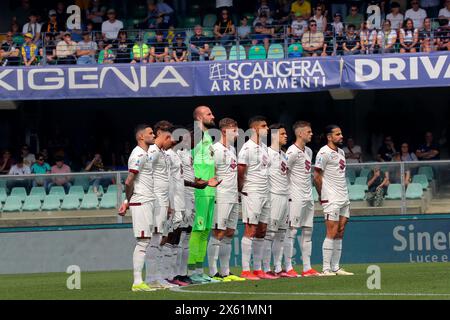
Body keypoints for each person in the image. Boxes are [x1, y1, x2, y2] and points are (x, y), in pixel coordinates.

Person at [118, 124, 159, 292]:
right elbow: (128, 181)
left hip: (147, 200)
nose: (154, 135)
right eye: (150, 133)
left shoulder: (146, 154)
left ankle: (142, 281)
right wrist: (127, 200)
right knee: (143, 241)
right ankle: (137, 282)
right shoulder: (138, 155)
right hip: (140, 201)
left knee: (146, 240)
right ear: (141, 136)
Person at [207, 118, 246, 282]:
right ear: (224, 131)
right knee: (218, 232)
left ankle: (225, 271)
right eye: (234, 130)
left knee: (229, 233)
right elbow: (210, 173)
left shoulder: (231, 149)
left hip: (232, 196)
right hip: (220, 197)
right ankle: (213, 271)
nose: (237, 134)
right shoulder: (214, 149)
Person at [187, 106, 221, 284]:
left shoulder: (207, 136)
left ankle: (199, 271)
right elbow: (187, 161)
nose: (213, 116)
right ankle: (191, 272)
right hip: (199, 191)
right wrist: (197, 181)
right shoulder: (194, 136)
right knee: (197, 230)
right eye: (209, 113)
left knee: (205, 231)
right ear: (199, 117)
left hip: (210, 190)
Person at [314, 125, 353, 276]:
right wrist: (322, 195)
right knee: (331, 231)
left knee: (341, 231)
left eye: (341, 133)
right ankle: (325, 268)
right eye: (337, 134)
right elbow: (316, 176)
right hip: (331, 198)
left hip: (344, 197)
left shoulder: (341, 152)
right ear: (329, 137)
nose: (341, 136)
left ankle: (336, 267)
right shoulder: (324, 153)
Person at [143, 120, 177, 289]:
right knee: (155, 239)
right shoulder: (153, 151)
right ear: (162, 136)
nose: (171, 141)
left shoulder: (163, 153)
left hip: (164, 201)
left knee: (161, 239)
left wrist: (169, 203)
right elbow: (144, 172)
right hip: (156, 201)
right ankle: (151, 278)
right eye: (169, 137)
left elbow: (167, 180)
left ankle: (157, 276)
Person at [285, 121, 321, 277]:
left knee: (308, 231)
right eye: (308, 131)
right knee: (292, 231)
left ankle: (307, 268)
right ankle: (288, 267)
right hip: (295, 196)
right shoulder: (291, 152)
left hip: (308, 196)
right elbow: (284, 172)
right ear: (300, 133)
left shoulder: (308, 151)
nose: (311, 134)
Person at [238, 116, 271, 280]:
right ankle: (245, 270)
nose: (268, 128)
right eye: (264, 126)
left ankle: (258, 269)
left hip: (265, 192)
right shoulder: (247, 148)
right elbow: (241, 170)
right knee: (250, 229)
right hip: (252, 191)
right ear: (255, 129)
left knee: (262, 230)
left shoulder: (264, 147)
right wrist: (241, 189)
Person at [260, 123, 289, 278]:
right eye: (283, 134)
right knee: (269, 234)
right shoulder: (266, 153)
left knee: (281, 235)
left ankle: (277, 268)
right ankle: (265, 268)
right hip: (273, 196)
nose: (286, 136)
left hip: (285, 197)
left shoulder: (284, 154)